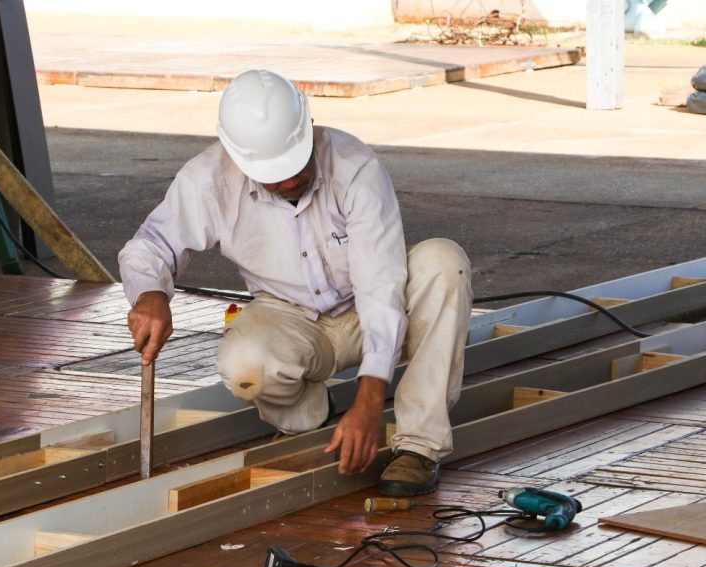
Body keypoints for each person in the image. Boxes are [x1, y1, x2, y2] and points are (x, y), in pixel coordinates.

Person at [119, 69, 472, 496]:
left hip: (368, 307)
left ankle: (419, 446)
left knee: (443, 262)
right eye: (273, 174)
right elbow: (149, 245)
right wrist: (151, 293)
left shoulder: (353, 165)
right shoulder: (208, 180)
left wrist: (369, 402)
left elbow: (379, 285)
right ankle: (314, 415)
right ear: (239, 156)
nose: (288, 181)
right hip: (288, 314)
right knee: (244, 365)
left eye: (295, 166)